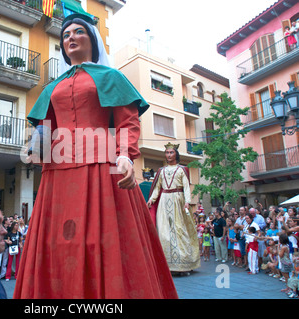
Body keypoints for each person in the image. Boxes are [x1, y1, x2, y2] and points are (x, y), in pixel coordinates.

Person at [14, 13, 177, 299]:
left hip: (103, 167)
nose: (71, 38)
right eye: (66, 35)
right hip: (58, 172)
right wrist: (35, 147)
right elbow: (44, 126)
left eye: (78, 32)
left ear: (92, 40)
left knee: (104, 241)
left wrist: (125, 156)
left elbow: (128, 122)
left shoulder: (111, 77)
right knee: (59, 242)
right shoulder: (53, 87)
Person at [148, 142, 200, 274]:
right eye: (167, 152)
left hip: (178, 199)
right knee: (164, 232)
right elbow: (157, 188)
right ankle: (167, 264)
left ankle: (185, 263)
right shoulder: (161, 171)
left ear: (176, 154)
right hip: (164, 201)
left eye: (171, 152)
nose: (169, 155)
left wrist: (187, 201)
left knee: (179, 230)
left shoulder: (182, 169)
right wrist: (151, 200)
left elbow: (186, 187)